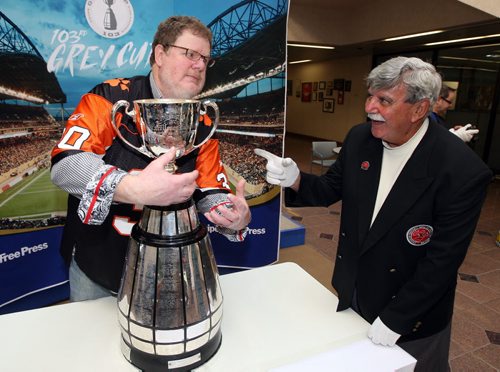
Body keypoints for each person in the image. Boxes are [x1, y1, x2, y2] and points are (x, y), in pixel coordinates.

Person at [255, 57, 492, 371]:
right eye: (370, 96)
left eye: (384, 100)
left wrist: (398, 318)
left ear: (419, 109)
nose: (370, 107)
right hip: (354, 293)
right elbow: (329, 189)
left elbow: (443, 261)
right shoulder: (360, 139)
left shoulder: (461, 169)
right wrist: (295, 179)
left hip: (413, 315)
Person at [51, 16, 251, 302]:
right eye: (190, 54)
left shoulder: (202, 121)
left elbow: (210, 192)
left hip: (167, 275)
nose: (199, 65)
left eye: (206, 59)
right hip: (99, 267)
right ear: (160, 54)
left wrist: (233, 214)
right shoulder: (110, 98)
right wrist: (132, 188)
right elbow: (65, 166)